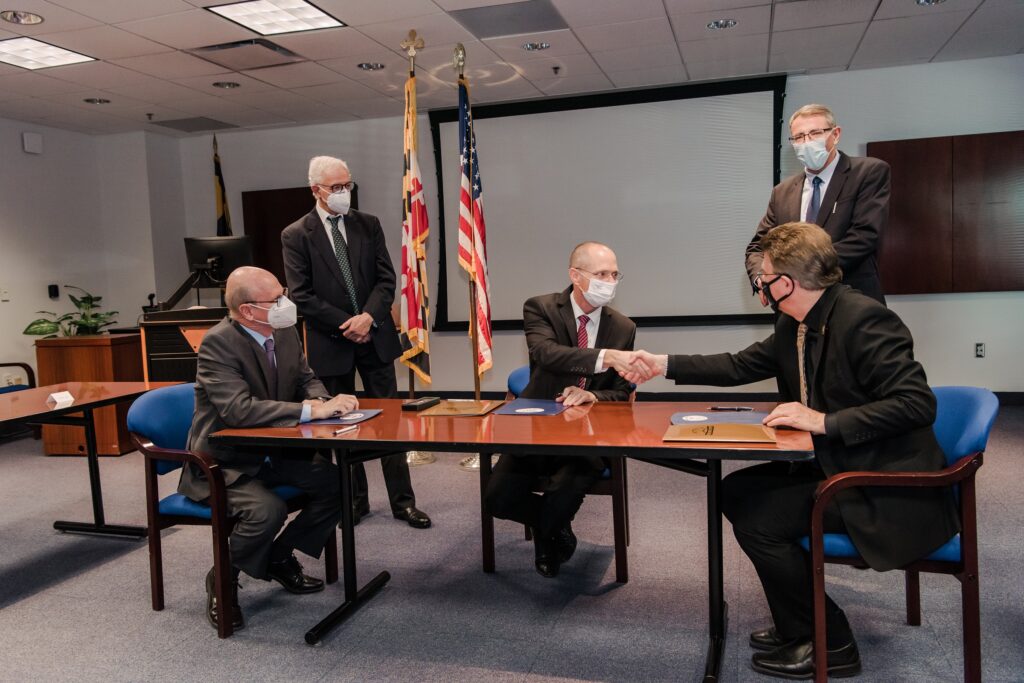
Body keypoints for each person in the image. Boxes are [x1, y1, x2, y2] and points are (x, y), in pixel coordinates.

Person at [617, 223, 959, 678]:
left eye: (765, 274)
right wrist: (664, 365)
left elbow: (916, 403)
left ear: (787, 283)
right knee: (736, 493)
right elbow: (741, 364)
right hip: (840, 463)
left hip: (884, 484)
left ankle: (832, 642)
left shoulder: (863, 318)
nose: (759, 282)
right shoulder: (796, 321)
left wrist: (822, 421)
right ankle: (798, 624)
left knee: (761, 521)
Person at [182, 266, 357, 631]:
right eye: (276, 299)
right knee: (268, 510)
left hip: (274, 450)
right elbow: (238, 410)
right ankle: (223, 579)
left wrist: (325, 401)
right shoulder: (218, 343)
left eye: (284, 294)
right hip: (224, 460)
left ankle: (278, 557)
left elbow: (306, 379)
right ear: (247, 310)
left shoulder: (285, 331)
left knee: (339, 485)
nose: (285, 303)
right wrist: (311, 411)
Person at [281, 155, 429, 529]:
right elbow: (302, 294)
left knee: (390, 421)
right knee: (342, 423)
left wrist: (368, 317)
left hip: (375, 336)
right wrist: (348, 323)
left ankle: (403, 502)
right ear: (315, 189)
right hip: (331, 341)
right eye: (336, 187)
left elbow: (385, 280)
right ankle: (356, 501)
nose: (344, 192)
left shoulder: (368, 224)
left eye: (348, 185)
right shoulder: (296, 234)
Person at [485, 242, 636, 578]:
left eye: (614, 274)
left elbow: (622, 391)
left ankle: (548, 533)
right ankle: (551, 525)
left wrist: (594, 398)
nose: (609, 281)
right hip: (536, 431)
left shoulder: (623, 327)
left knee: (563, 490)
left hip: (588, 439)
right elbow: (547, 353)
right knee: (496, 499)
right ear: (575, 276)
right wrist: (604, 357)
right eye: (601, 274)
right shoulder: (541, 308)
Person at [745, 104, 890, 304]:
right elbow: (757, 247)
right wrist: (762, 278)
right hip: (793, 309)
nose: (806, 142)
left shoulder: (868, 172)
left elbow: (864, 236)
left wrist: (800, 273)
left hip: (850, 302)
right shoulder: (782, 192)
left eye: (815, 133)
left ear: (835, 134)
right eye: (799, 137)